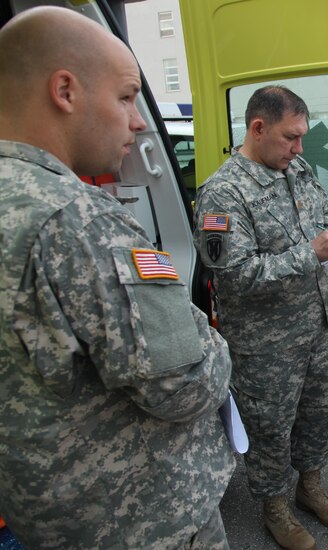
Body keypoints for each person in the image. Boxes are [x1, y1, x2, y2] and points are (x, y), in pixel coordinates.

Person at [0, 7, 235, 548]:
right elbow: (182, 384)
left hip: (46, 518)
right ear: (65, 90)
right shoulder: (77, 219)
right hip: (143, 523)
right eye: (127, 96)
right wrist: (220, 346)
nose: (138, 120)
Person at [193, 85, 328, 550]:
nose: (300, 148)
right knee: (270, 427)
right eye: (291, 137)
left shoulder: (295, 168)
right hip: (265, 344)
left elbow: (325, 211)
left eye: (301, 138)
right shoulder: (222, 193)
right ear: (258, 129)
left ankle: (310, 487)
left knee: (318, 415)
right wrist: (310, 253)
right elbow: (234, 275)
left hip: (315, 327)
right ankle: (274, 507)